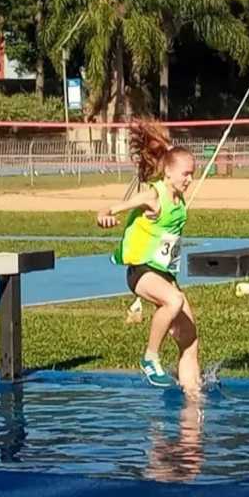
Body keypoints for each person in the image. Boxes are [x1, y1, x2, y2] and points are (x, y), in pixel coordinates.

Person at [98, 120, 202, 394]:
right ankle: (150, 357)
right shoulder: (154, 196)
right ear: (168, 172)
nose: (190, 179)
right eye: (185, 174)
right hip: (141, 271)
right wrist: (105, 216)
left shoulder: (178, 200)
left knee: (190, 339)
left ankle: (193, 398)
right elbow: (111, 208)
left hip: (164, 274)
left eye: (192, 174)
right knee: (174, 300)